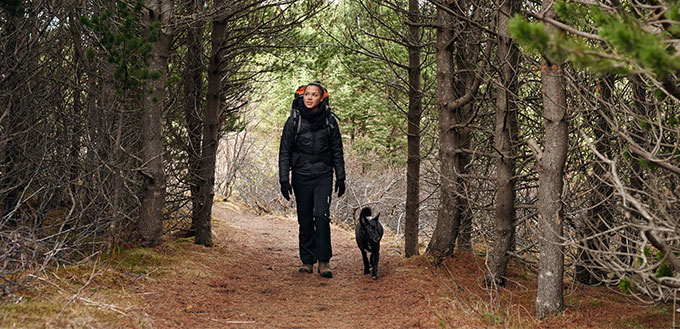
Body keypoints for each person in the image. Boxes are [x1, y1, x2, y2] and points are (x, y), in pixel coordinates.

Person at [278, 81, 346, 278]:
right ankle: (307, 261)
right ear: (302, 95)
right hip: (301, 175)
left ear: (321, 98)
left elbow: (337, 151)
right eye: (307, 94)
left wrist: (340, 178)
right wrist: (284, 180)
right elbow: (284, 152)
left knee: (322, 216)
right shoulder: (293, 121)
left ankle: (324, 262)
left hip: (324, 174)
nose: (309, 98)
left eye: (314, 95)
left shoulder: (330, 121)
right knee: (305, 219)